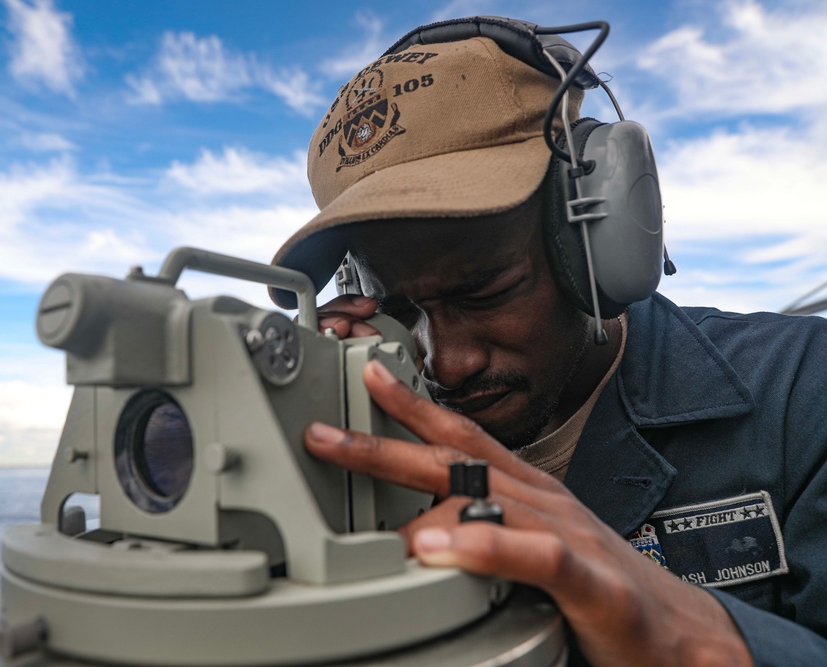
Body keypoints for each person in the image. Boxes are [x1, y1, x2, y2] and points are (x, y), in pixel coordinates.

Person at [268, 16, 827, 667]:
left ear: (594, 236)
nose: (449, 362)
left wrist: (697, 638)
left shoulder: (802, 395)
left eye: (485, 291)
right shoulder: (362, 454)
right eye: (401, 309)